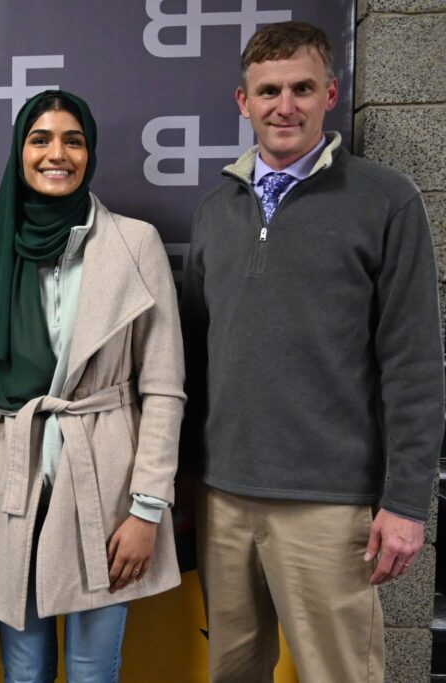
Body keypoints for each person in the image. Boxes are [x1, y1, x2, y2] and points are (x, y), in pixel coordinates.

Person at [182, 20, 444, 683]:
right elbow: (195, 357)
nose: (285, 106)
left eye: (302, 88)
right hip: (224, 499)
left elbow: (414, 365)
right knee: (233, 671)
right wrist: (185, 476)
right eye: (268, 91)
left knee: (341, 673)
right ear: (243, 101)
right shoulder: (216, 210)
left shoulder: (386, 201)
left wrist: (407, 502)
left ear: (331, 93)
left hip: (329, 503)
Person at [0, 90, 186, 683]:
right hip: (11, 488)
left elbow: (163, 387)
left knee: (91, 671)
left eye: (73, 140)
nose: (56, 154)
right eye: (40, 139)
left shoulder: (135, 243)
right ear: (20, 151)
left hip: (105, 489)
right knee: (24, 671)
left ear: (90, 153)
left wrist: (146, 509)